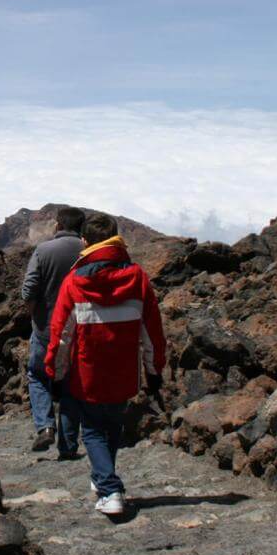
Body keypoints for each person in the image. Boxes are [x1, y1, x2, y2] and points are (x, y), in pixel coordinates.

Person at [45, 212, 166, 516]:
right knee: (111, 427)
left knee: (94, 432)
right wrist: (153, 372)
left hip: (88, 374)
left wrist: (55, 376)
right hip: (124, 373)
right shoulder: (137, 277)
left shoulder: (75, 282)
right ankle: (102, 479)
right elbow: (152, 332)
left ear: (85, 242)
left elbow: (61, 337)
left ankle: (111, 489)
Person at [20, 206, 86, 455]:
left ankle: (45, 428)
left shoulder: (44, 250)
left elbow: (29, 291)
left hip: (46, 329)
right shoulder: (89, 253)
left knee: (38, 375)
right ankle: (68, 446)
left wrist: (35, 316)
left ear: (58, 226)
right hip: (81, 329)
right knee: (71, 383)